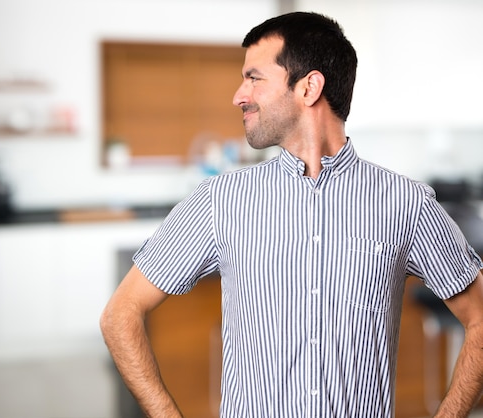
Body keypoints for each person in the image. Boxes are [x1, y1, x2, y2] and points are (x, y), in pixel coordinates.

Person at [100, 11, 483, 418]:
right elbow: (119, 315)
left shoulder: (406, 203)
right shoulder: (221, 199)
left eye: (254, 78)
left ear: (309, 87)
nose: (239, 95)